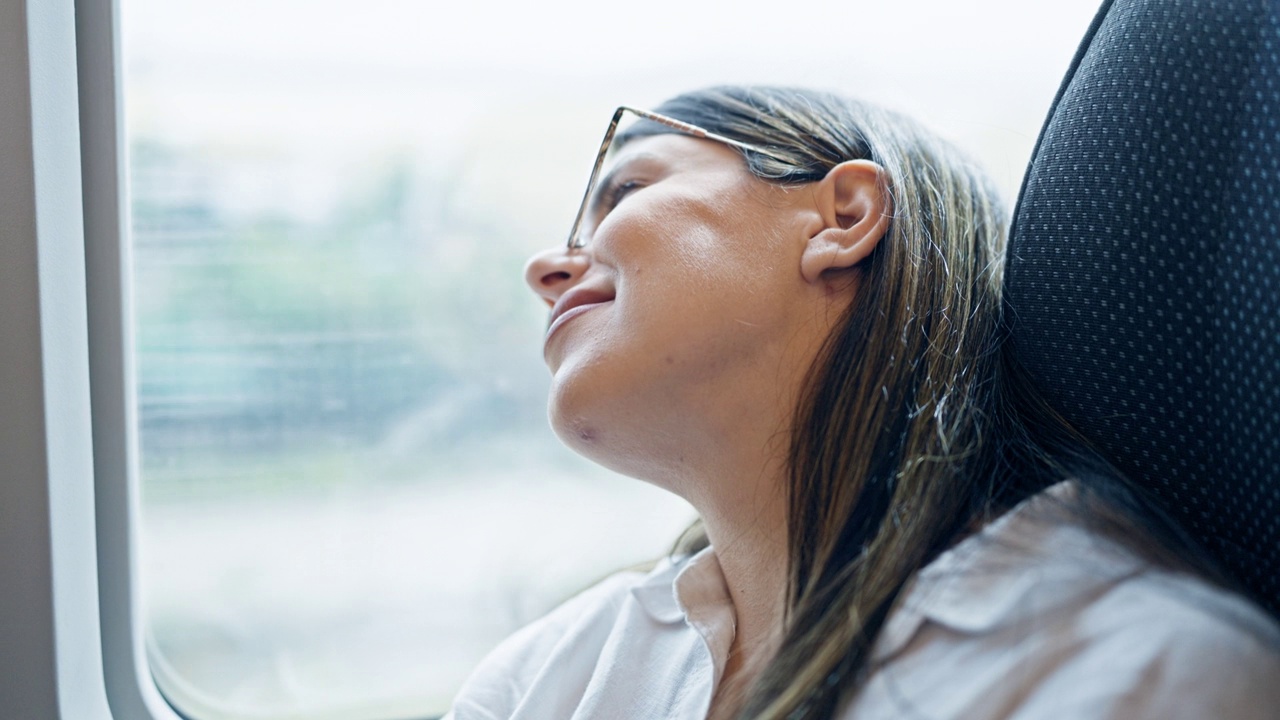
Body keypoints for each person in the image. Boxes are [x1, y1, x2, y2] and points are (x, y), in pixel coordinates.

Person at [446, 86, 1280, 719]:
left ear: (842, 217)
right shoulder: (544, 678)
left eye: (622, 191)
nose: (543, 269)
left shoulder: (1144, 673)